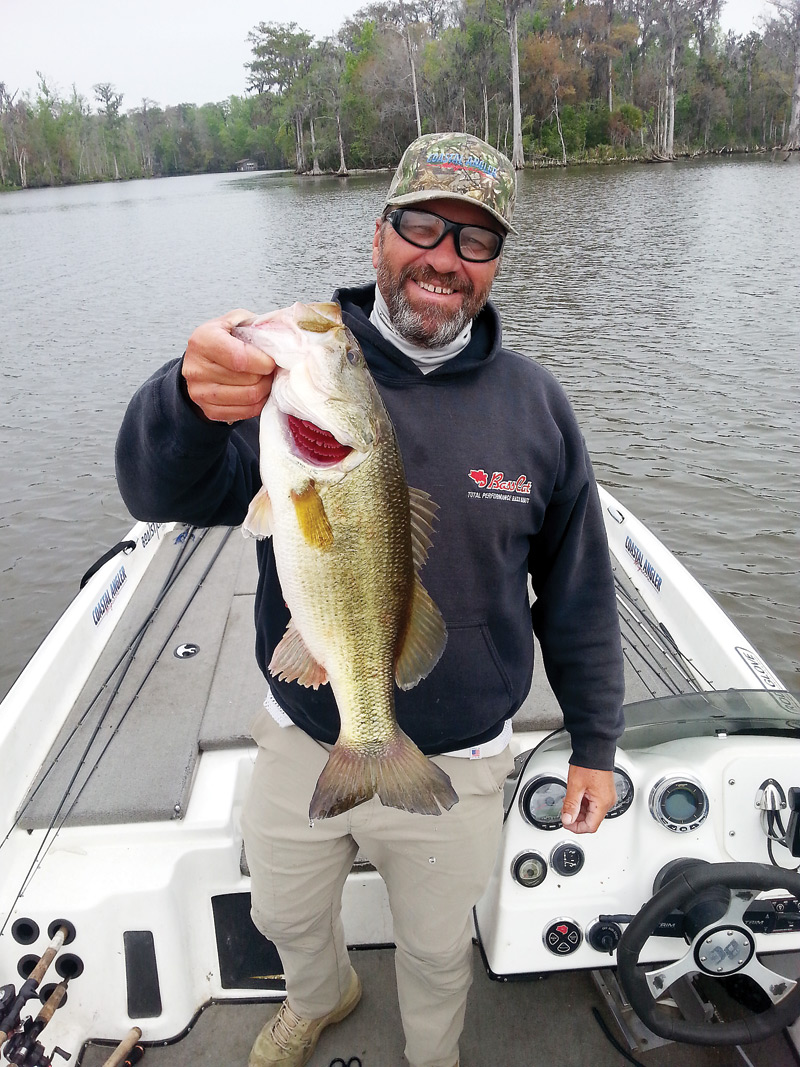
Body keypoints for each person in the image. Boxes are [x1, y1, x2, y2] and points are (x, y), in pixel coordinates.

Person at [115, 132, 625, 1067]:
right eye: (423, 226)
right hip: (304, 728)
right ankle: (322, 994)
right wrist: (186, 401)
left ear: (496, 262)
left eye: (474, 240)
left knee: (437, 949)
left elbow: (579, 588)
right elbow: (159, 493)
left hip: (460, 758)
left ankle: (433, 1056)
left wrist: (596, 741)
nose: (444, 257)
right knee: (281, 911)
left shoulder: (538, 405)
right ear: (381, 232)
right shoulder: (290, 383)